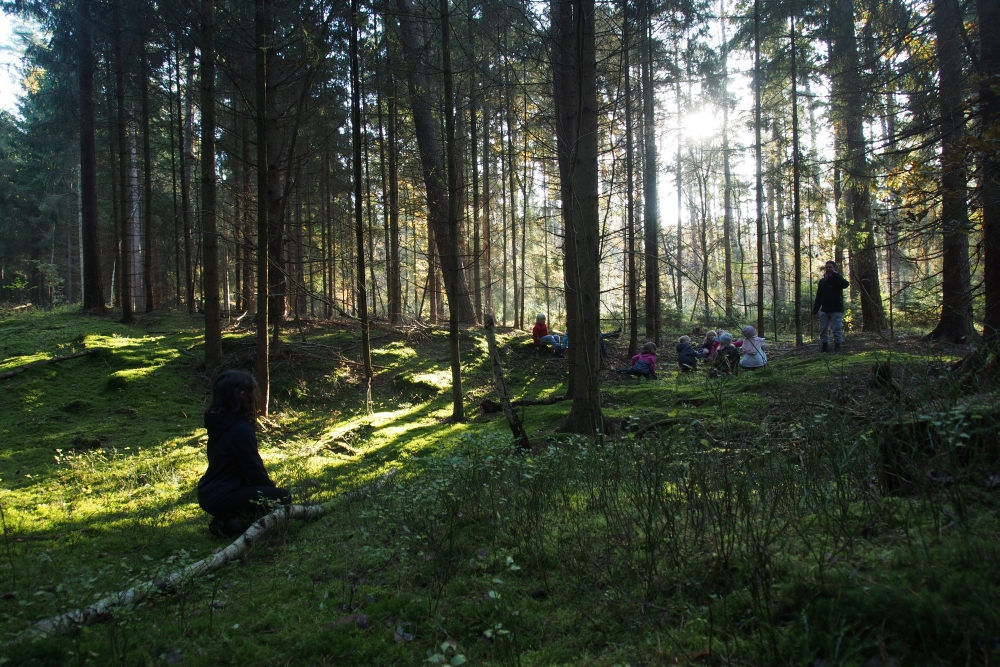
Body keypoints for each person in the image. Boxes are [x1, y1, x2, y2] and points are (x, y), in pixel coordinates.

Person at [198, 370, 290, 538]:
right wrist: (268, 494)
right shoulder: (239, 428)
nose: (254, 397)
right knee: (283, 497)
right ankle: (230, 525)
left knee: (269, 496)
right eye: (251, 392)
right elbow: (252, 466)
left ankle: (229, 519)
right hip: (223, 495)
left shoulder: (217, 421)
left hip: (208, 492)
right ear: (241, 395)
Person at [812, 260, 850, 352]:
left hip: (836, 309)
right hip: (824, 310)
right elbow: (819, 297)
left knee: (836, 329)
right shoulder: (822, 281)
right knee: (823, 329)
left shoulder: (837, 280)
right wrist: (815, 310)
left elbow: (845, 284)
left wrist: (836, 275)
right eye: (827, 267)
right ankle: (824, 346)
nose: (828, 269)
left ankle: (837, 345)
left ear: (834, 268)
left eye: (830, 267)